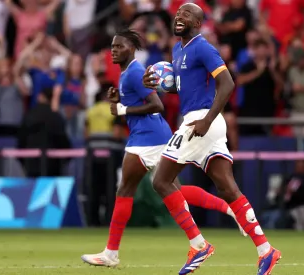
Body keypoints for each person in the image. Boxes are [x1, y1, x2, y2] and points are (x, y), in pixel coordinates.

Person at [80, 29, 245, 268]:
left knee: (126, 189)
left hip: (148, 138)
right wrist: (118, 101)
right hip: (148, 136)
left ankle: (112, 253)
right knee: (173, 189)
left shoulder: (136, 72)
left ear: (132, 49)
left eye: (120, 46)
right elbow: (138, 104)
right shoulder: (127, 74)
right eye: (112, 47)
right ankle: (230, 210)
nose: (114, 50)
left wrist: (123, 110)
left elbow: (156, 105)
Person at [142, 4, 281, 275]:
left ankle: (199, 245)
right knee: (228, 189)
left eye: (186, 15)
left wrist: (206, 120)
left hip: (201, 121)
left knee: (161, 180)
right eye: (177, 13)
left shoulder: (202, 47)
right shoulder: (178, 50)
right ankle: (266, 250)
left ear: (197, 22)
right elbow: (182, 85)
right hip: (203, 120)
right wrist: (158, 83)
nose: (179, 17)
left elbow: (227, 82)